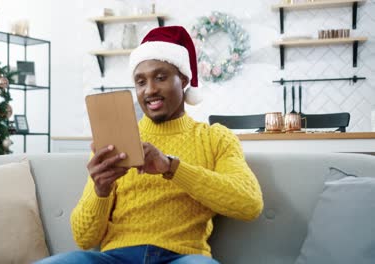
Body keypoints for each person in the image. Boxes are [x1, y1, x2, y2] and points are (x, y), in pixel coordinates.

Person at [35, 26, 263, 264]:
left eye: (161, 77)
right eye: (140, 81)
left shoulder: (216, 138)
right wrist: (100, 190)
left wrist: (171, 167)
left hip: (182, 258)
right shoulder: (118, 138)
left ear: (184, 80)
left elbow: (249, 203)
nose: (150, 90)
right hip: (115, 259)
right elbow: (83, 237)